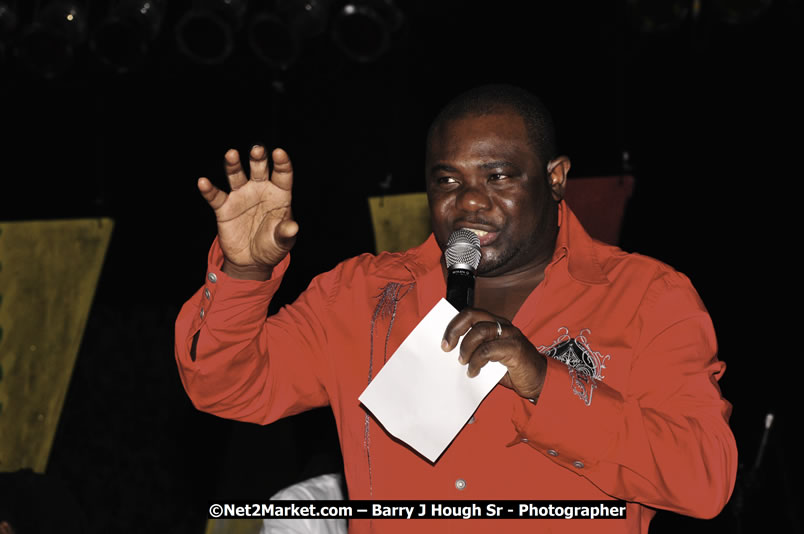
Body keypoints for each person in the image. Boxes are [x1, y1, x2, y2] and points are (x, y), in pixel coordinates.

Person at [175, 84, 737, 533]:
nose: (468, 200)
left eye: (497, 176)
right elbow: (226, 387)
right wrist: (244, 274)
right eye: (448, 179)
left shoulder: (647, 297)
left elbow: (704, 481)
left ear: (555, 178)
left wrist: (546, 384)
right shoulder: (362, 296)